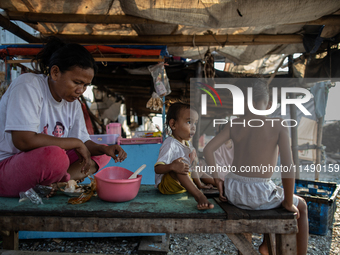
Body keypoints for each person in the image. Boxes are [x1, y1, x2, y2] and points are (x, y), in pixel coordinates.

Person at [0, 36, 127, 198]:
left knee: (100, 154)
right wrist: (75, 143)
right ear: (55, 72)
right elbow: (23, 140)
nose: (81, 90)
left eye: (85, 85)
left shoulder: (72, 103)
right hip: (7, 167)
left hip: (45, 167)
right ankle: (57, 180)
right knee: (55, 156)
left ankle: (59, 182)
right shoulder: (28, 85)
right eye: (76, 82)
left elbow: (83, 142)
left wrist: (105, 148)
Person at [203, 80, 308, 255]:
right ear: (267, 104)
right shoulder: (278, 125)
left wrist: (217, 180)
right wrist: (289, 202)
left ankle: (266, 245)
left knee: (273, 191)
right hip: (259, 194)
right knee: (301, 205)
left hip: (233, 192)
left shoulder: (234, 124)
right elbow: (288, 167)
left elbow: (208, 150)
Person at [154, 102, 214, 210]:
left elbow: (192, 168)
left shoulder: (188, 144)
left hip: (182, 183)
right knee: (180, 168)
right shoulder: (170, 144)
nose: (193, 127)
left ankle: (221, 184)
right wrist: (171, 166)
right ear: (173, 125)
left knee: (198, 169)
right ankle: (199, 196)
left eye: (195, 123)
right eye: (189, 122)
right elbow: (157, 169)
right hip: (167, 186)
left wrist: (198, 182)